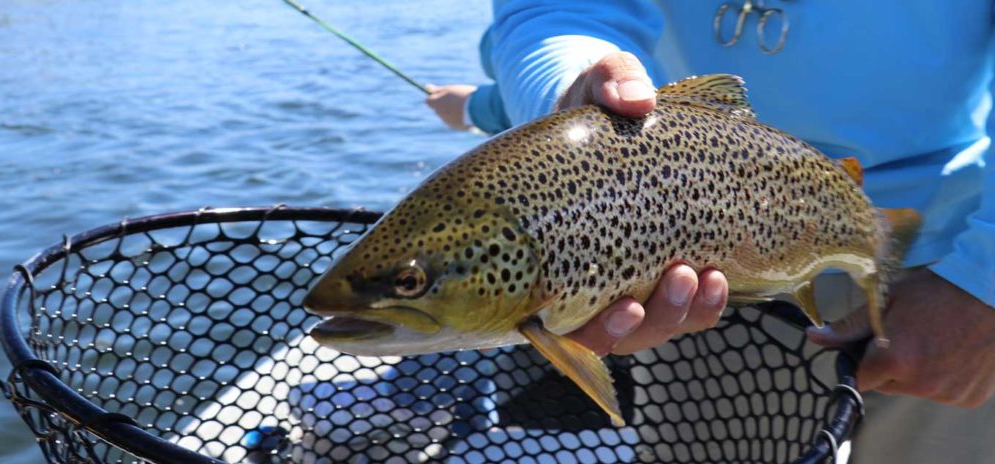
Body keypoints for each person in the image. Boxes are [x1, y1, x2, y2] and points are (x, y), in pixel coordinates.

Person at [426, 1, 995, 462]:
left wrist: (982, 282)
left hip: (958, 252)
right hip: (684, 265)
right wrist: (572, 95)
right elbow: (557, 10)